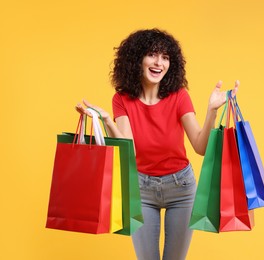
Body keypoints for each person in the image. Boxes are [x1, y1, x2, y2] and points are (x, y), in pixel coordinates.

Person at [76, 28, 239, 260]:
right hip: (141, 189)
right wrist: (105, 121)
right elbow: (127, 148)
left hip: (181, 188)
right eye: (152, 54)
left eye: (165, 57)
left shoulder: (179, 96)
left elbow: (200, 147)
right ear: (137, 59)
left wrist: (211, 111)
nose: (159, 63)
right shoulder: (121, 99)